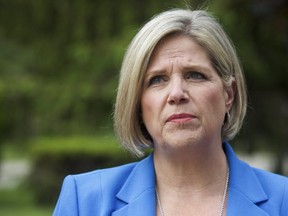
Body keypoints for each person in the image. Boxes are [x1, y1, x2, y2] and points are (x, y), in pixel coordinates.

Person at [53, 9, 288, 216]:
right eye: (157, 80)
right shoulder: (84, 201)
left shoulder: (283, 201)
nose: (176, 93)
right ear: (137, 103)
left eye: (195, 75)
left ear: (229, 95)